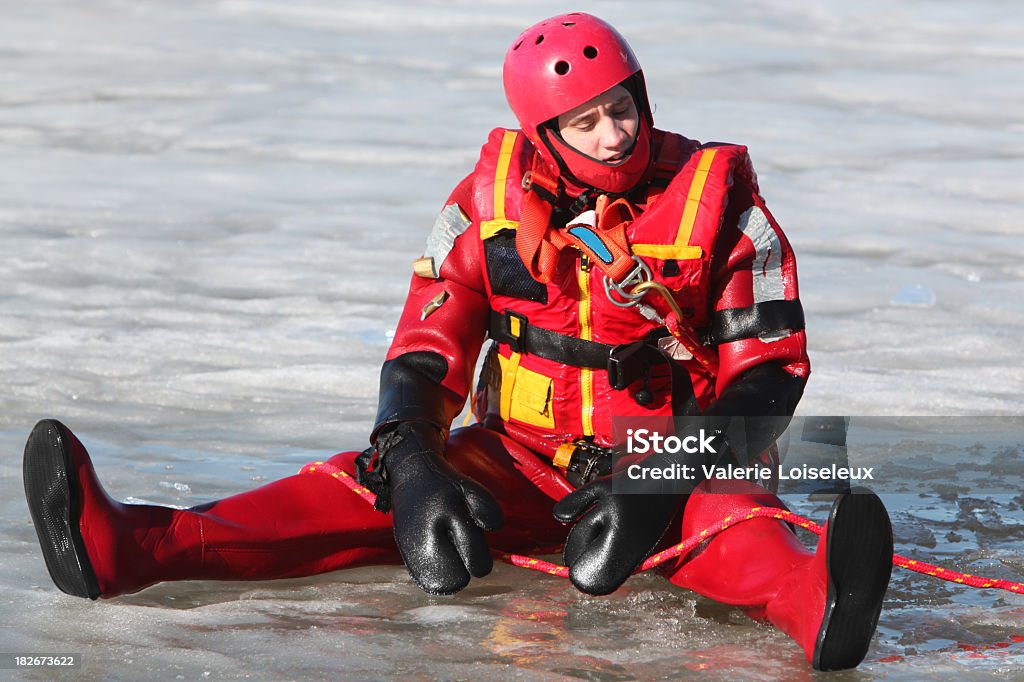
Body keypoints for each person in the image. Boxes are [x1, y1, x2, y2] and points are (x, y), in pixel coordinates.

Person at [22, 13, 893, 671]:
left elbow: (768, 380)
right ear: (544, 133)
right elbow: (424, 351)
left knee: (735, 528)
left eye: (622, 109)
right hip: (519, 456)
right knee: (347, 491)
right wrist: (409, 461)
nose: (614, 135)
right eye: (586, 123)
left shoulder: (725, 206)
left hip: (683, 460)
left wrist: (659, 482)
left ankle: (819, 600)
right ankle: (134, 544)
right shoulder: (486, 207)